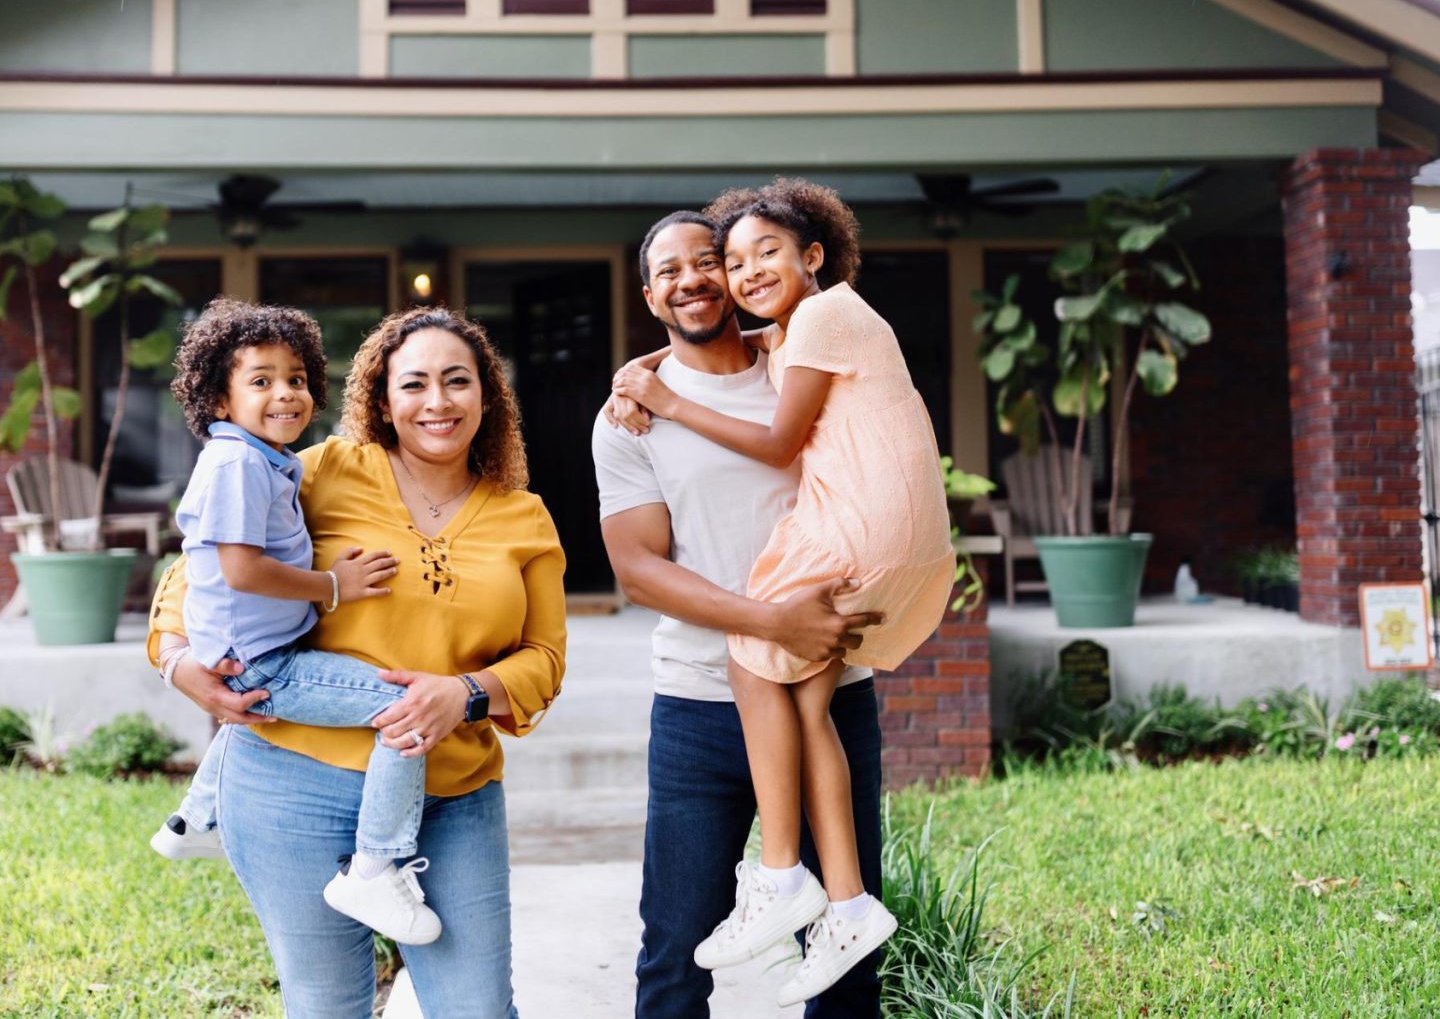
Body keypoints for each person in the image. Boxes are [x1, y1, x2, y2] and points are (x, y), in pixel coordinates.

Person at [149, 306, 566, 1019]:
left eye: (457, 381)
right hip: (291, 788)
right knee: (327, 1007)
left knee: (478, 1010)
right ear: (381, 398)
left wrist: (465, 693)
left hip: (451, 796)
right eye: (415, 384)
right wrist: (180, 662)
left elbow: (544, 661)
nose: (437, 402)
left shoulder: (522, 516)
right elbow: (197, 574)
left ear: (488, 396)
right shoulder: (320, 471)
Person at [610, 181, 954, 1006]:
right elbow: (634, 565)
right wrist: (653, 376)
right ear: (651, 294)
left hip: (837, 619)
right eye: (687, 267)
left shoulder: (802, 343)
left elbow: (776, 441)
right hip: (693, 713)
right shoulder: (629, 414)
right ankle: (828, 896)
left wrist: (665, 390)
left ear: (811, 256)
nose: (712, 275)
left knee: (845, 992)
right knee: (674, 954)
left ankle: (785, 880)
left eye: (719, 260)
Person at [151, 297, 440, 946]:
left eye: (297, 379)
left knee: (255, 717)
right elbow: (241, 570)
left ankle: (193, 821)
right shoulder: (237, 464)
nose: (286, 393)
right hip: (264, 659)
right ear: (219, 401)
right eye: (261, 381)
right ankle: (374, 865)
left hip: (254, 647)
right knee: (404, 709)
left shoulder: (261, 458)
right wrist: (333, 587)